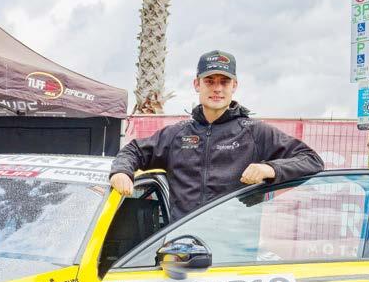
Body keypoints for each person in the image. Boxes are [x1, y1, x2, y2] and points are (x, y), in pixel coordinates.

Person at [110, 50, 324, 221]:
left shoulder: (255, 132)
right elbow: (134, 150)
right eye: (210, 81)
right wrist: (121, 172)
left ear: (234, 86)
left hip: (232, 250)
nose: (217, 89)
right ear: (197, 84)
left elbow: (312, 160)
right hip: (181, 244)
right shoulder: (177, 134)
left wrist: (270, 169)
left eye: (224, 82)